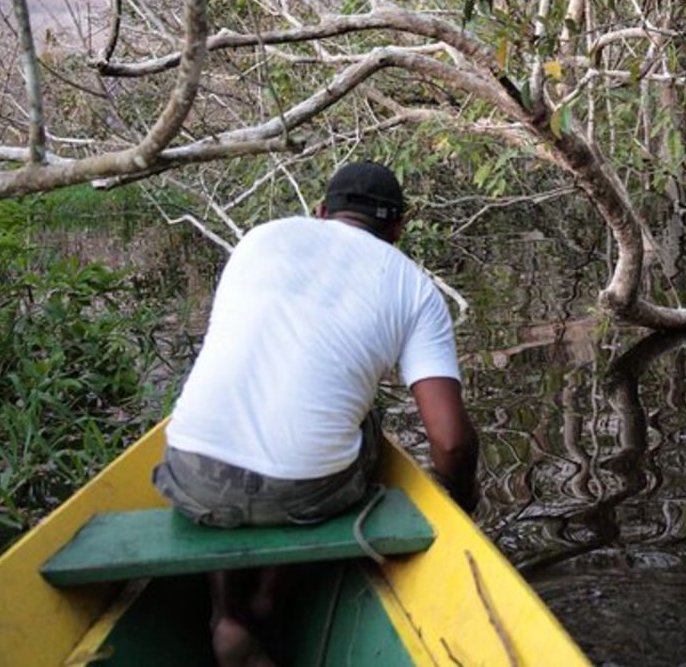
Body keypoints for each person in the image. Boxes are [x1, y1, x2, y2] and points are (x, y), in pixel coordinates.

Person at [152, 160, 479, 667]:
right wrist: (462, 503)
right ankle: (267, 595)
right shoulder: (415, 289)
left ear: (322, 212)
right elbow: (452, 440)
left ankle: (226, 613)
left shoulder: (259, 239)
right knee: (360, 423)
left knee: (233, 430)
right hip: (303, 490)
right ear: (397, 227)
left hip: (193, 466)